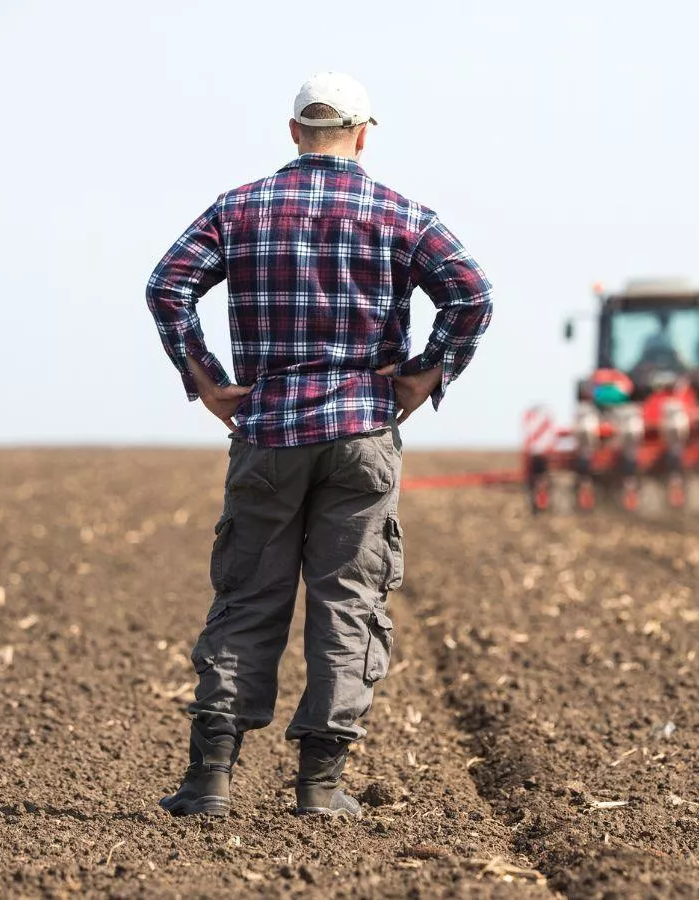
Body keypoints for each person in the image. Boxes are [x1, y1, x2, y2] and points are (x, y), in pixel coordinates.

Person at [145, 72, 493, 817]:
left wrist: (205, 380)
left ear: (295, 131)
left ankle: (210, 782)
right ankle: (321, 787)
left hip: (267, 430)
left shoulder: (238, 209)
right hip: (362, 433)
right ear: (364, 134)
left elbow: (167, 285)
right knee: (349, 603)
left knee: (247, 598)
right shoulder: (402, 214)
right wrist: (425, 374)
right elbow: (472, 294)